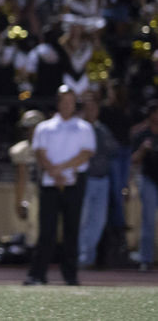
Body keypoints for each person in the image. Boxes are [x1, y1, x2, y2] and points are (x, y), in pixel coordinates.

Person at [25, 85, 95, 286]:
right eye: (64, 102)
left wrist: (60, 169)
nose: (67, 105)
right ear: (58, 103)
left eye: (71, 102)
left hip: (73, 183)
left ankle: (70, 276)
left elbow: (86, 153)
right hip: (49, 184)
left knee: (71, 230)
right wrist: (53, 171)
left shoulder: (84, 127)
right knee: (46, 231)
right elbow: (40, 152)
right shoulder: (44, 127)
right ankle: (37, 275)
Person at [78, 93, 117, 267]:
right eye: (88, 108)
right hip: (86, 179)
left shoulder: (103, 129)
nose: (92, 111)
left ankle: (87, 257)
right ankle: (80, 257)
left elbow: (114, 149)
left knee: (98, 221)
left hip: (102, 180)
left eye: (94, 108)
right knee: (82, 220)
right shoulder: (78, 129)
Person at [10, 110, 46, 248]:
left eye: (34, 128)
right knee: (33, 224)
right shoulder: (21, 150)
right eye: (28, 128)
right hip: (33, 191)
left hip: (53, 188)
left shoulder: (52, 145)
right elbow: (21, 177)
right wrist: (19, 201)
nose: (31, 131)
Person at [131, 101, 158, 272]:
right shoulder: (142, 134)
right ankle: (146, 259)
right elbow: (133, 159)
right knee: (148, 220)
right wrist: (143, 149)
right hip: (148, 179)